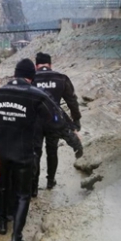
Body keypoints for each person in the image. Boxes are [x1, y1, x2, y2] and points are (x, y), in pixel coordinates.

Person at [0, 59, 82, 241]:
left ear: (15, 74)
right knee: (23, 195)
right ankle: (16, 237)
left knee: (3, 188)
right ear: (32, 76)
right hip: (24, 152)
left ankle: (3, 223)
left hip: (1, 151)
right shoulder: (37, 95)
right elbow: (57, 121)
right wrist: (75, 142)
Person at [32, 53, 82, 194]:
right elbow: (72, 101)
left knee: (35, 152)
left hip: (35, 122)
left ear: (36, 66)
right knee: (52, 150)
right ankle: (50, 181)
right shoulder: (61, 78)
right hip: (54, 120)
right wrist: (76, 120)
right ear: (50, 64)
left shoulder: (32, 78)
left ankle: (33, 187)